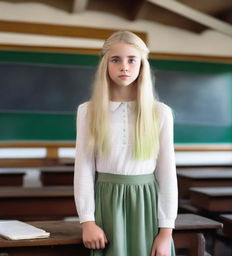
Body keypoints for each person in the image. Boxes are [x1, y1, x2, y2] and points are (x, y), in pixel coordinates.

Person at [74, 30, 178, 256]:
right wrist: (87, 222)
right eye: (116, 60)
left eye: (132, 60)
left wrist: (165, 232)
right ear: (105, 64)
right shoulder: (88, 111)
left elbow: (167, 174)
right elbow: (83, 169)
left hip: (146, 206)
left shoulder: (160, 113)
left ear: (142, 64)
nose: (124, 66)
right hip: (107, 207)